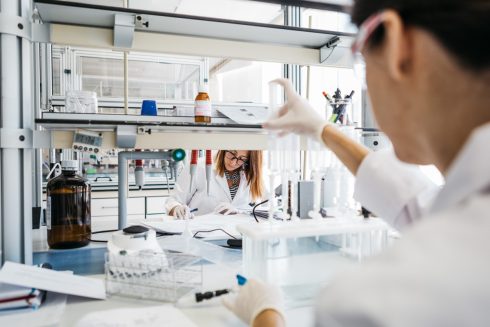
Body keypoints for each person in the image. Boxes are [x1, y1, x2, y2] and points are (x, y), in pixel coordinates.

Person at [223, 0, 490, 326]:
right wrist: (322, 130)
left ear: (396, 46)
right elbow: (417, 204)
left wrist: (266, 315)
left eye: (361, 59)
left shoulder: (377, 302)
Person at [165, 150, 265, 219]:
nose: (233, 162)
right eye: (231, 153)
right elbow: (173, 201)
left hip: (237, 237)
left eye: (242, 159)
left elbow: (263, 210)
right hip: (200, 235)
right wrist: (176, 208)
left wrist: (239, 211)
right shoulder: (199, 167)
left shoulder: (251, 174)